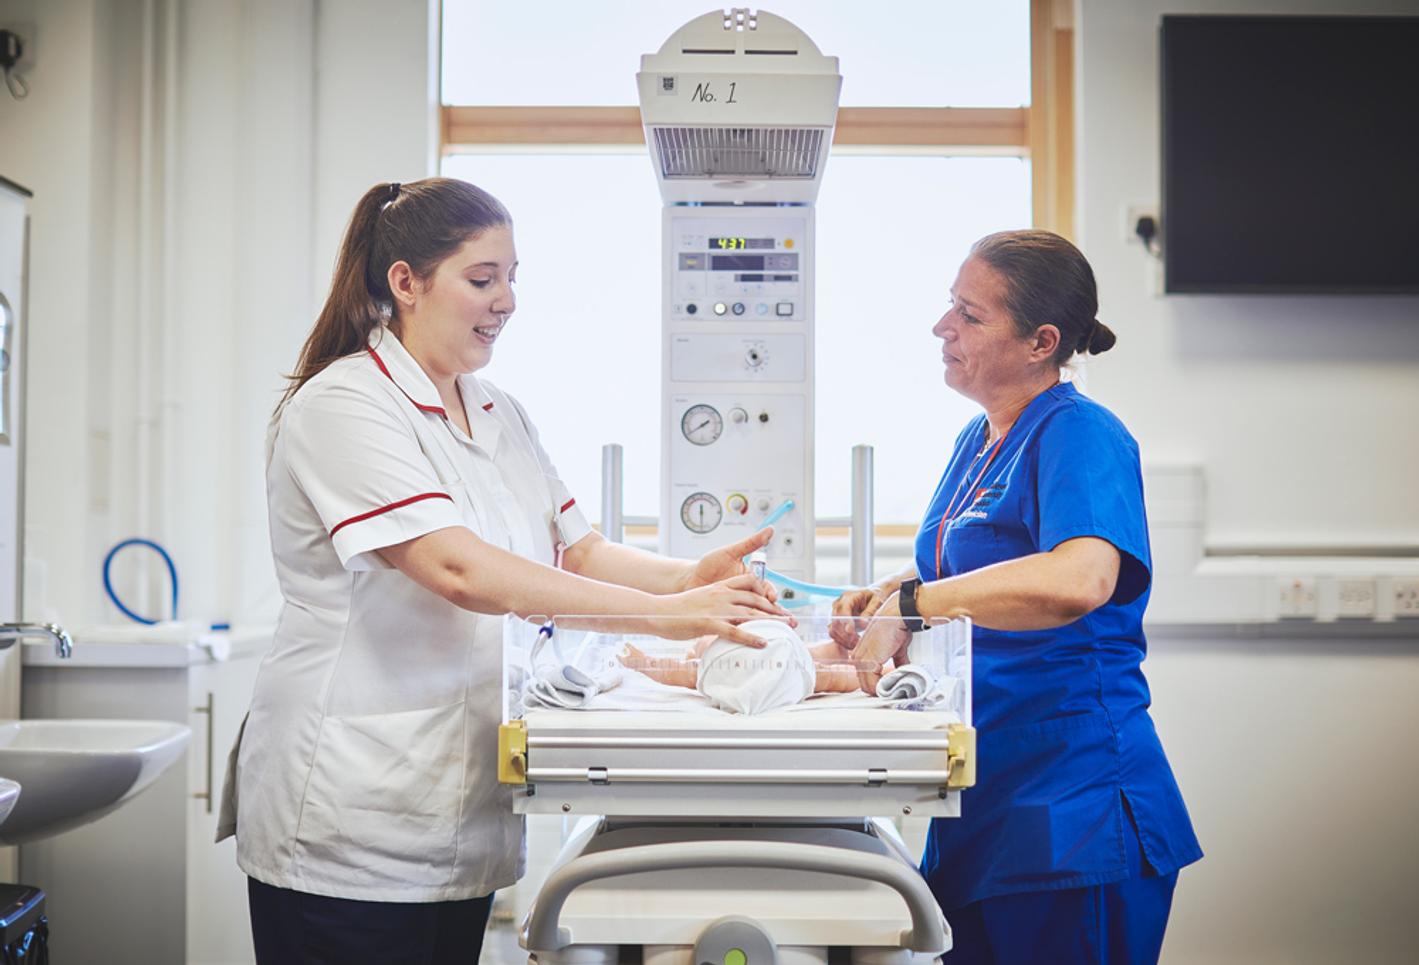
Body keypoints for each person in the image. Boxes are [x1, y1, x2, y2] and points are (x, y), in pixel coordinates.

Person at [217, 178, 785, 965]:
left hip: (461, 808)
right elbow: (454, 567)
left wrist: (687, 577)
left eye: (513, 276)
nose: (507, 299)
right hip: (351, 807)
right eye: (483, 279)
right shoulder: (343, 404)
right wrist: (658, 617)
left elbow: (576, 550)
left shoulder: (497, 411)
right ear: (405, 282)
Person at [833, 230, 1202, 964]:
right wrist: (891, 598)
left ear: (1040, 341)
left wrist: (916, 603)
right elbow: (974, 586)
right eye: (949, 306)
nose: (943, 327)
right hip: (985, 800)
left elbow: (1078, 578)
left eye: (969, 315)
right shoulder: (978, 439)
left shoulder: (1082, 434)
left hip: (1072, 806)